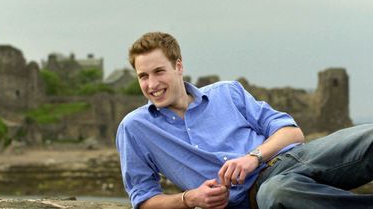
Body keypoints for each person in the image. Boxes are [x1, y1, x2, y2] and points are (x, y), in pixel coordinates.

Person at [116, 32, 373, 209]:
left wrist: (253, 158)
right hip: (256, 195)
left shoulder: (227, 92)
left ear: (179, 67)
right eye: (143, 76)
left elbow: (292, 133)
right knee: (278, 194)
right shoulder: (135, 128)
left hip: (293, 157)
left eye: (159, 71)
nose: (152, 84)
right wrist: (189, 198)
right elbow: (143, 199)